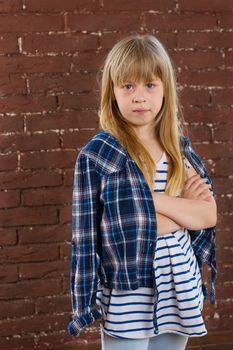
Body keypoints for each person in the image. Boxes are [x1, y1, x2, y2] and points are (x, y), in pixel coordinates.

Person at [67, 34, 217, 350]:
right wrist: (180, 210)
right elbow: (102, 232)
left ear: (165, 90)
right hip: (128, 291)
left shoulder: (177, 149)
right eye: (128, 86)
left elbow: (207, 215)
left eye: (150, 85)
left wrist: (152, 201)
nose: (139, 97)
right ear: (112, 92)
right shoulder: (100, 155)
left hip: (178, 283)